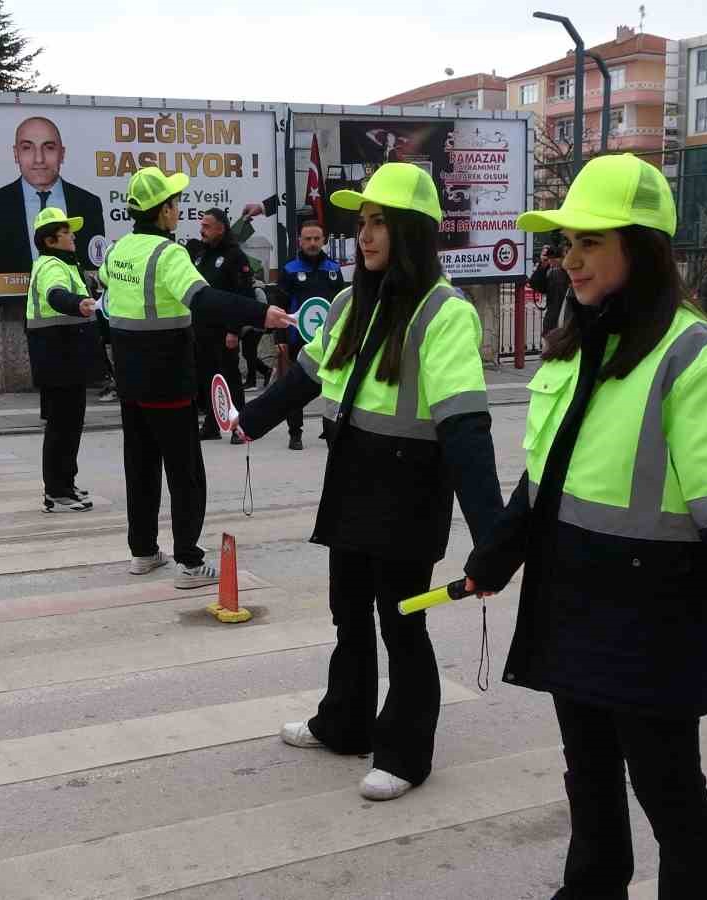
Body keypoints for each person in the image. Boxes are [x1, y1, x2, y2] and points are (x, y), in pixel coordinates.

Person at [464, 153, 707, 899]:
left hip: (654, 621)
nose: (572, 259)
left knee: (671, 800)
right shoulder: (583, 342)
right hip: (572, 603)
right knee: (588, 786)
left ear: (644, 247)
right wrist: (492, 560)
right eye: (567, 243)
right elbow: (548, 478)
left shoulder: (702, 360)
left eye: (591, 242)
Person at [234, 162, 502, 801]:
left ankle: (406, 753)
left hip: (411, 486)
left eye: (382, 223)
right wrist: (252, 420)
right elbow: (308, 374)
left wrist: (495, 539)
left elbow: (466, 431)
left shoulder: (446, 313)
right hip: (352, 470)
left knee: (401, 623)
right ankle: (344, 723)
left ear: (414, 232)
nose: (368, 235)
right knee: (348, 614)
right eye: (364, 223)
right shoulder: (356, 300)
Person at [102, 167, 292, 588]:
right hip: (167, 375)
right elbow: (202, 298)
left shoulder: (118, 251)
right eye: (174, 203)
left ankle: (143, 551)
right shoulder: (168, 255)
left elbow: (106, 288)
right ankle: (189, 560)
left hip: (130, 380)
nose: (179, 210)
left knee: (141, 467)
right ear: (163, 210)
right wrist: (260, 313)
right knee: (186, 471)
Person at [27, 208, 101, 512]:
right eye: (67, 232)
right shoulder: (51, 266)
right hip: (57, 358)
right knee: (62, 426)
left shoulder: (65, 264)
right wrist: (77, 304)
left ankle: (63, 483)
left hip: (64, 358)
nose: (74, 236)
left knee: (70, 424)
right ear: (50, 240)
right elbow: (56, 295)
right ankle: (57, 489)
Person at [0, 115, 107, 275]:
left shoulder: (89, 203)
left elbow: (94, 264)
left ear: (62, 154)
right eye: (27, 148)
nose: (39, 159)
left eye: (49, 147)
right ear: (16, 154)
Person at [273, 218, 346, 450]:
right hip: (297, 340)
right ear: (300, 241)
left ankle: (329, 430)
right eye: (308, 239)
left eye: (316, 239)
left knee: (332, 387)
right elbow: (280, 308)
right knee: (296, 388)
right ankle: (295, 434)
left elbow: (344, 305)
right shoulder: (289, 269)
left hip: (329, 340)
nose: (313, 243)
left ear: (323, 240)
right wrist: (280, 339)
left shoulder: (334, 269)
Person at [192, 208, 254, 443]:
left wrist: (234, 330)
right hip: (202, 329)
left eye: (207, 226)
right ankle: (212, 424)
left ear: (221, 227)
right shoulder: (201, 254)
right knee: (208, 377)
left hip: (225, 330)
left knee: (230, 377)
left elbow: (243, 295)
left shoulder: (234, 256)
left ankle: (241, 426)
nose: (202, 230)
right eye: (202, 225)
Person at [531, 241, 573, 337]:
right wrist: (543, 266)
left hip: (572, 327)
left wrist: (565, 266)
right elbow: (537, 285)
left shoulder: (577, 273)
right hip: (552, 326)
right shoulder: (554, 274)